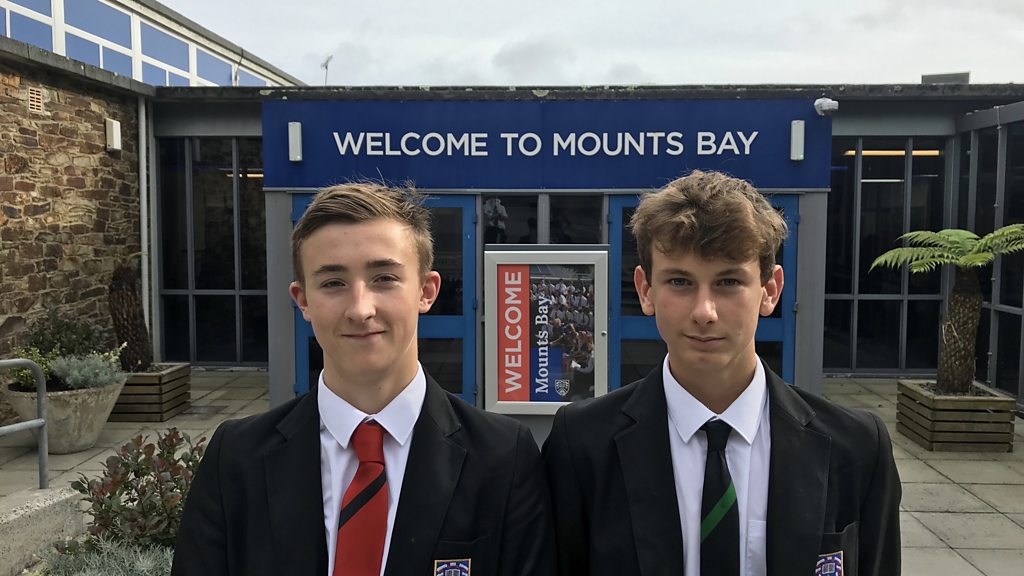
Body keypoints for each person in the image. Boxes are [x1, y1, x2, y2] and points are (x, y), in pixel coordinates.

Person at [174, 183, 555, 576]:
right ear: (302, 300)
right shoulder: (237, 457)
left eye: (384, 278)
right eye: (333, 283)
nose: (360, 309)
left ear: (426, 292)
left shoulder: (503, 458)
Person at [543, 171, 900, 576]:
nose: (704, 312)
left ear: (770, 290)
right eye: (680, 281)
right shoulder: (583, 444)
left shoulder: (857, 447)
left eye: (729, 281)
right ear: (645, 290)